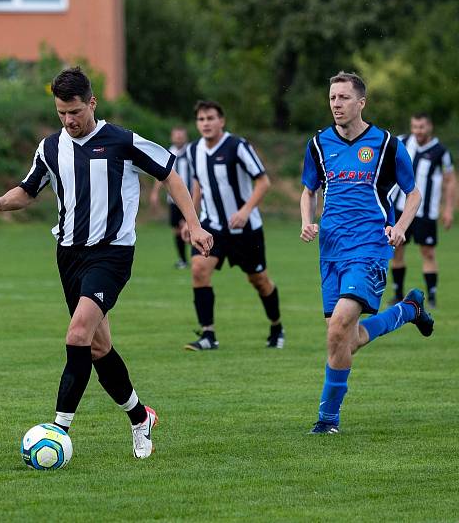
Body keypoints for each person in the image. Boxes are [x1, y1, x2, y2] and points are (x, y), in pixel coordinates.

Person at [0, 67, 213, 459]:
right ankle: (141, 418)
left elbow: (169, 173)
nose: (69, 121)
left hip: (111, 254)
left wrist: (193, 223)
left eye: (75, 112)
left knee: (77, 334)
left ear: (92, 103)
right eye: (61, 113)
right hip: (69, 255)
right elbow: (29, 188)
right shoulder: (50, 147)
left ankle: (58, 430)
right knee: (99, 348)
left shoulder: (121, 140)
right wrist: (1, 202)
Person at [300, 71, 434, 435]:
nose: (336, 104)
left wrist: (402, 226)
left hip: (370, 246)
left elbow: (413, 193)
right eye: (332, 98)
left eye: (344, 98)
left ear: (361, 102)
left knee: (340, 327)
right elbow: (308, 189)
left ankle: (328, 419)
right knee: (346, 337)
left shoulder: (386, 144)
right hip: (330, 250)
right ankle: (409, 310)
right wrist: (306, 220)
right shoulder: (318, 144)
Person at [181, 100, 284, 351]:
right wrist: (191, 220)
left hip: (245, 230)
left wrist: (246, 210)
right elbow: (197, 185)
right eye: (201, 119)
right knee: (198, 270)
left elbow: (263, 182)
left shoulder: (238, 146)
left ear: (221, 121)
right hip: (212, 227)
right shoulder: (193, 150)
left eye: (211, 118)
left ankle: (276, 327)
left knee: (259, 280)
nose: (205, 123)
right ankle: (208, 335)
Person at [388, 114, 454, 308]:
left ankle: (431, 297)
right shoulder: (401, 142)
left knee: (428, 253)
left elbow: (450, 181)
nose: (418, 131)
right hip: (400, 208)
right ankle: (397, 293)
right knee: (397, 249)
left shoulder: (441, 152)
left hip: (427, 213)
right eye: (415, 127)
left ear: (430, 127)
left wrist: (448, 209)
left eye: (422, 127)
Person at [150, 126, 192, 269]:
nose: (179, 138)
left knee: (191, 227)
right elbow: (161, 174)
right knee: (177, 229)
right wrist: (155, 192)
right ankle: (183, 260)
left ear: (185, 137)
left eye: (181, 135)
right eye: (176, 135)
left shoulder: (192, 152)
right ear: (172, 137)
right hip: (173, 199)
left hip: (191, 198)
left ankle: (199, 256)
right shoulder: (168, 153)